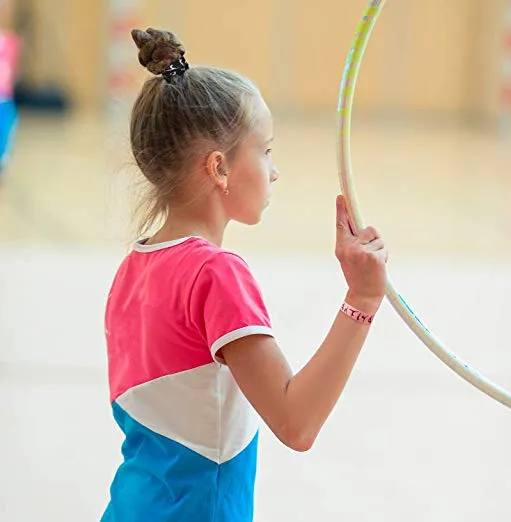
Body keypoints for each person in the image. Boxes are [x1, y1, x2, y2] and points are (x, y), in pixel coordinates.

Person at [101, 27, 388, 522]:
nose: (274, 171)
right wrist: (361, 300)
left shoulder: (133, 268)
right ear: (219, 168)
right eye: (266, 150)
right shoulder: (215, 274)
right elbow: (296, 422)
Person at [0, 10, 20, 182]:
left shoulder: (11, 42)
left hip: (5, 98)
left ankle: (3, 160)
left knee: (7, 126)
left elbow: (13, 72)